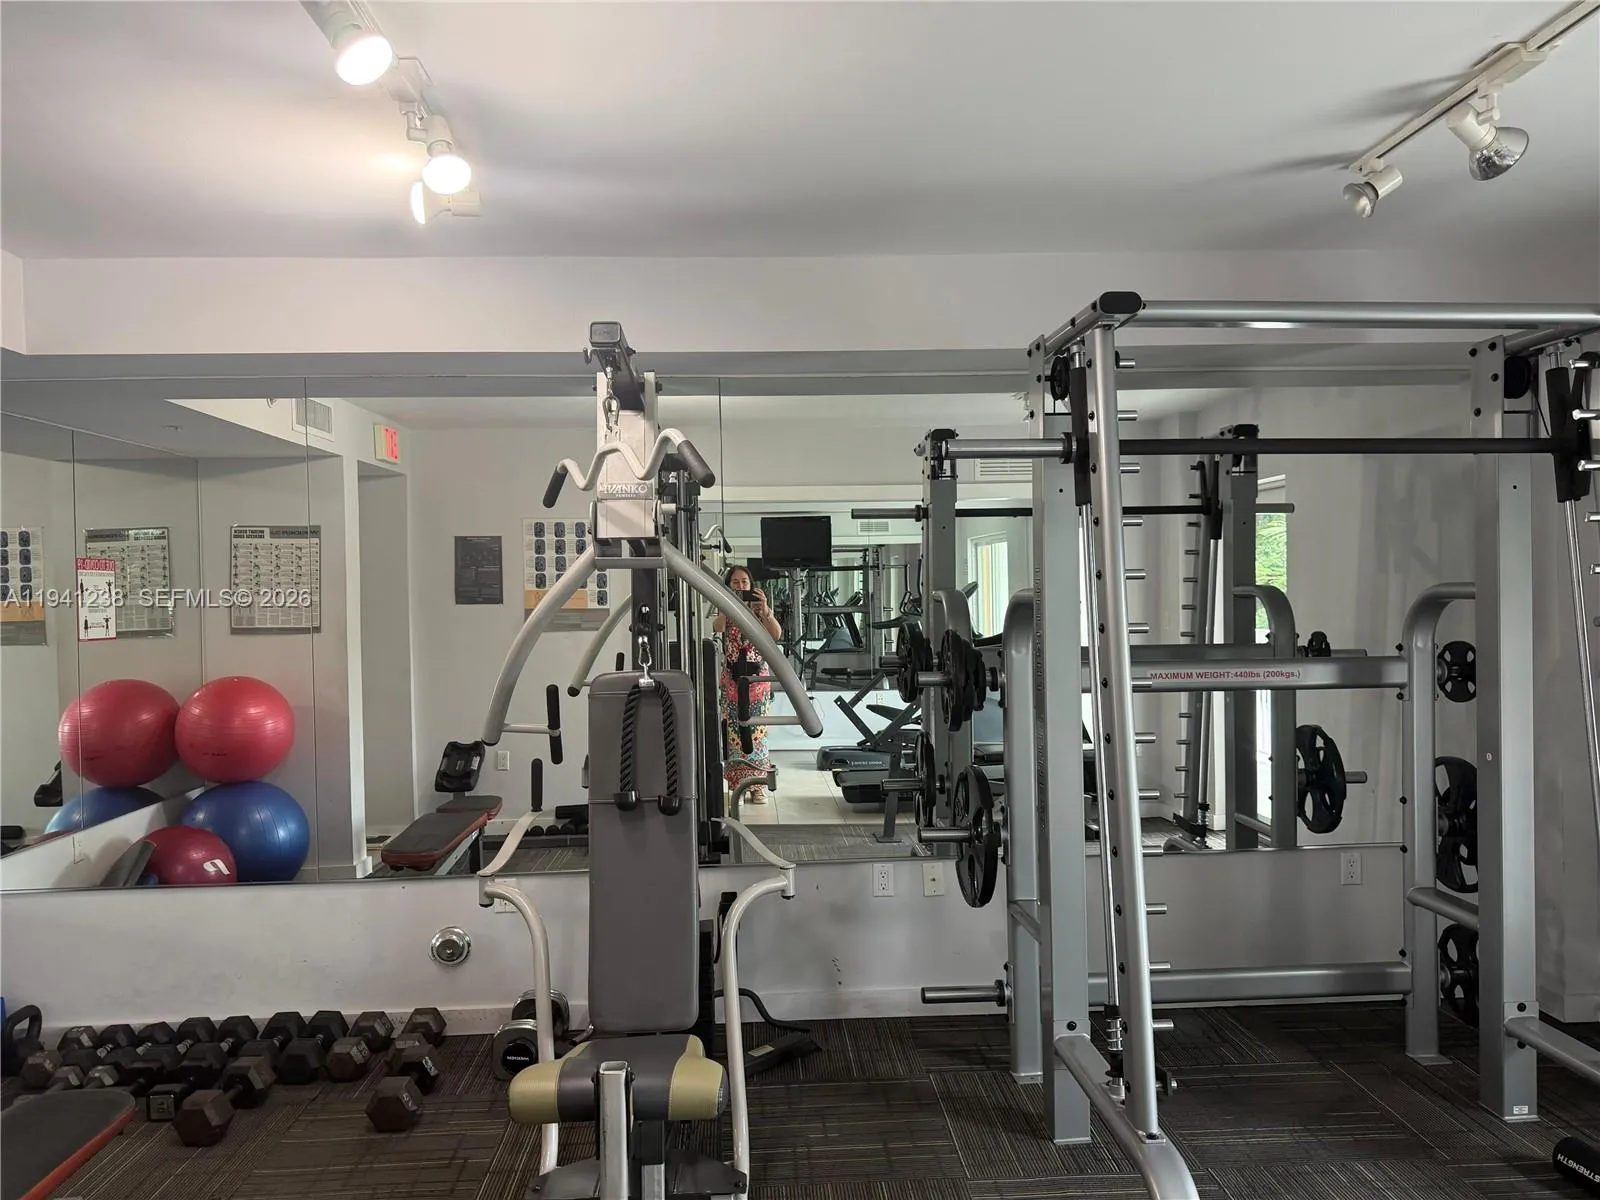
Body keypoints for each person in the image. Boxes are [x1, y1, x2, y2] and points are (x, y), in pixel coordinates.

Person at [713, 565, 784, 804]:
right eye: (735, 582)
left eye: (744, 582)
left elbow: (776, 635)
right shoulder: (725, 606)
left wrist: (765, 611)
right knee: (734, 734)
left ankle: (758, 786)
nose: (740, 586)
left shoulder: (760, 609)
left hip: (757, 683)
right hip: (733, 681)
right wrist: (726, 606)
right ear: (728, 586)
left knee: (758, 734)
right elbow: (717, 628)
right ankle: (738, 786)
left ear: (751, 585)